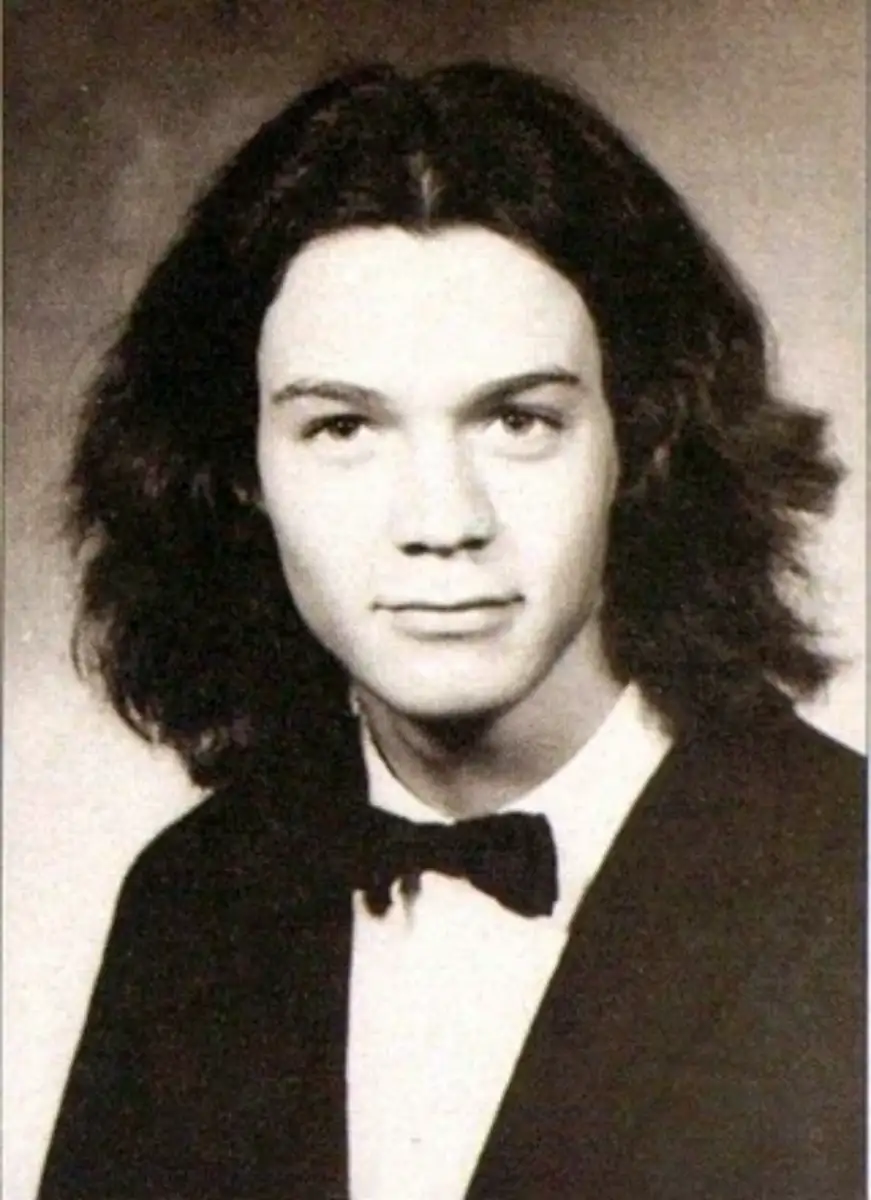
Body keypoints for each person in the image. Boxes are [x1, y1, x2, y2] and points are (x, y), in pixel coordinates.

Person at [38, 60, 863, 1200]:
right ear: (237, 474)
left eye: (518, 420)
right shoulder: (191, 906)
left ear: (645, 440)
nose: (440, 522)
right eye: (342, 428)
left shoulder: (844, 882)